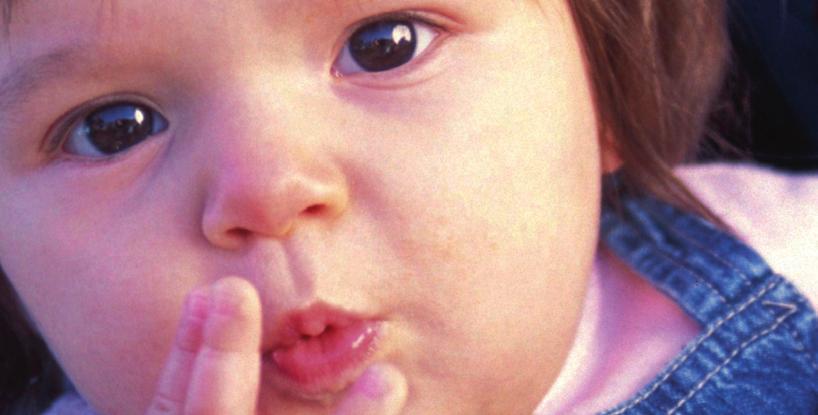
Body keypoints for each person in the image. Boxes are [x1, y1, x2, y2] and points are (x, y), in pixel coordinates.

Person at [0, 1, 815, 414]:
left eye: (384, 43)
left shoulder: (793, 251)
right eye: (112, 130)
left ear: (600, 84)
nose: (269, 190)